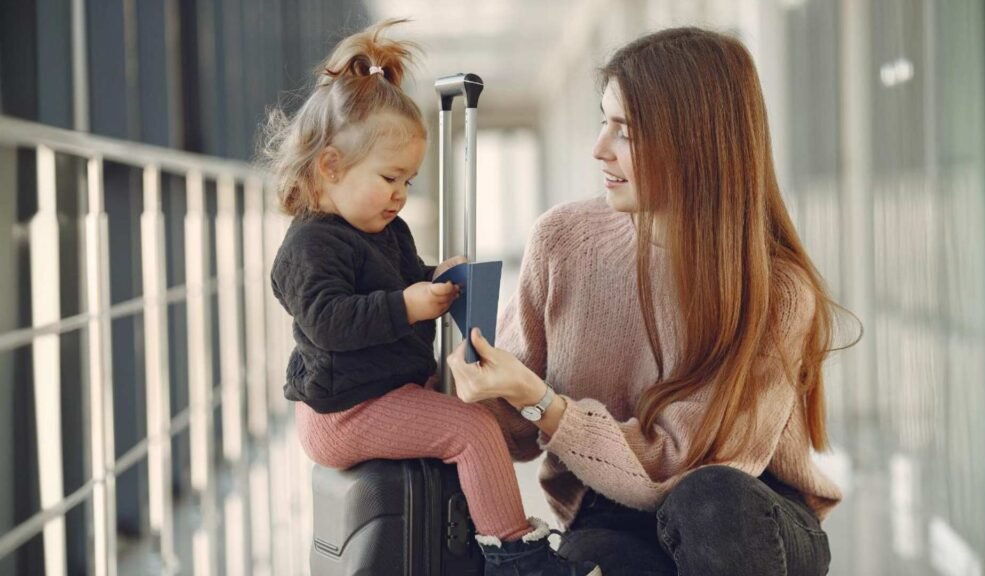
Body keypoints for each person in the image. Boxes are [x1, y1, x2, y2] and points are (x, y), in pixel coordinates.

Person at [447, 26, 855, 576]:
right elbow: (517, 435)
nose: (599, 149)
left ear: (695, 141)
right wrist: (468, 355)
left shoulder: (776, 292)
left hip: (748, 510)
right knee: (595, 559)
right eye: (602, 121)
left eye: (626, 131)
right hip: (611, 509)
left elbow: (686, 464)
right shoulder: (563, 242)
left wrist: (545, 403)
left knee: (711, 503)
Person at [262, 19, 600, 576]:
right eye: (389, 177)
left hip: (377, 389)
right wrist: (406, 306)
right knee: (470, 431)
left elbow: (396, 277)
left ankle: (481, 537)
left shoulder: (382, 228)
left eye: (409, 182)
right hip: (344, 411)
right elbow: (328, 321)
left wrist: (432, 277)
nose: (399, 194)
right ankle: (515, 555)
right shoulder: (310, 244)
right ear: (330, 167)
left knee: (470, 406)